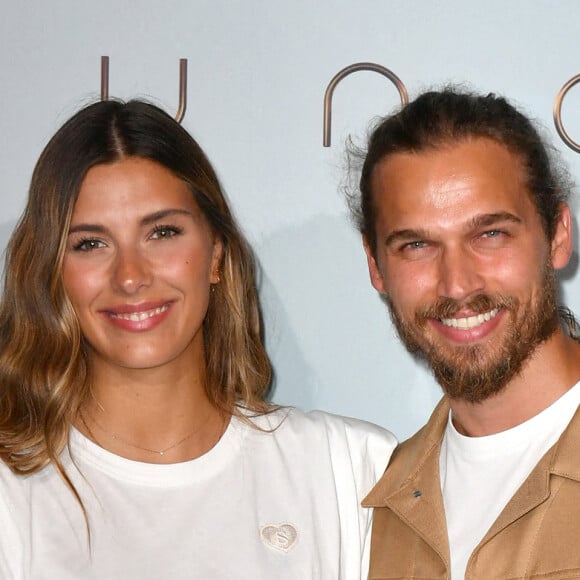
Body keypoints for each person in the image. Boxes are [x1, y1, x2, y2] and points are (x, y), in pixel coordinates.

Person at [0, 99, 396, 580]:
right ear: (52, 272)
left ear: (215, 254)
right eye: (90, 243)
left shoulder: (350, 468)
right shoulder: (11, 492)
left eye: (162, 232)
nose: (130, 276)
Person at [348, 88, 580, 578]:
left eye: (489, 234)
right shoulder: (369, 510)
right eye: (416, 245)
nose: (457, 283)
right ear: (376, 265)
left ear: (558, 235)